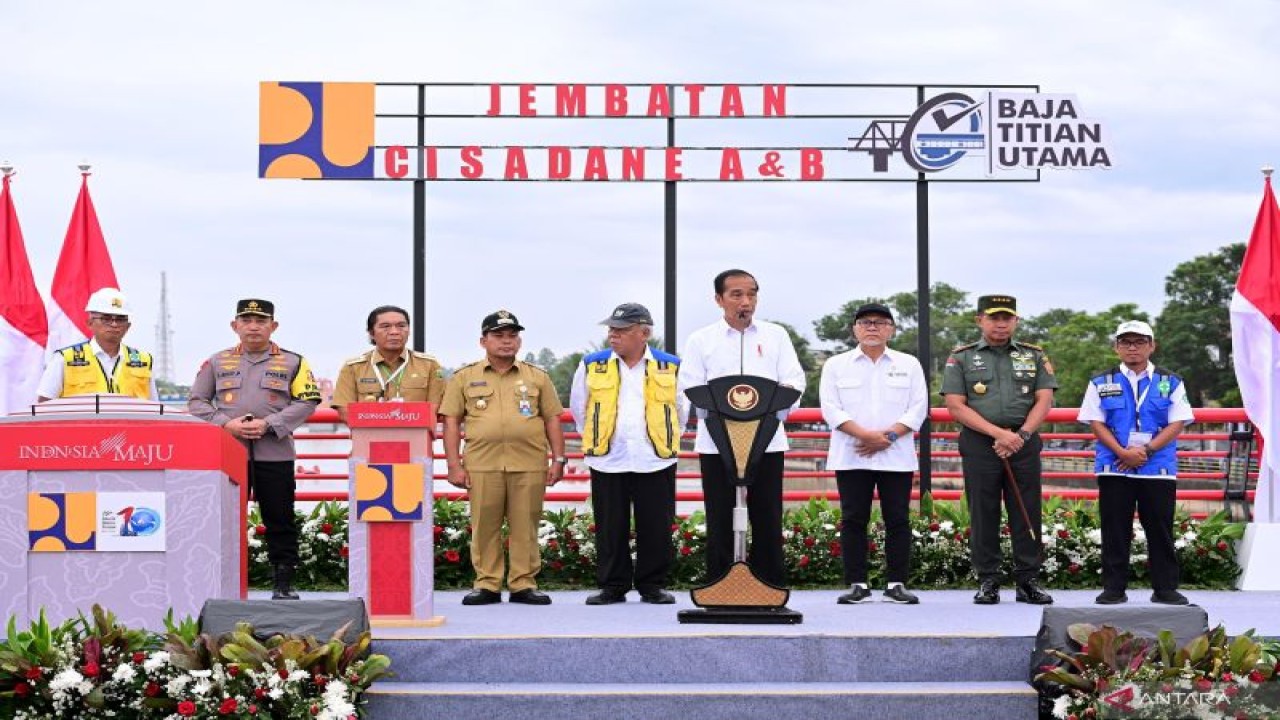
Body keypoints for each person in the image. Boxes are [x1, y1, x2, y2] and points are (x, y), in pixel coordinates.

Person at [678, 269, 805, 588]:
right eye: (736, 294)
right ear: (719, 299)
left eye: (752, 294)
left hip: (767, 442)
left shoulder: (776, 335)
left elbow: (794, 382)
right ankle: (718, 585)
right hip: (716, 444)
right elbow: (688, 389)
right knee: (719, 517)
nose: (745, 301)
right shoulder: (701, 339)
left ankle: (769, 586)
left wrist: (769, 408)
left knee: (767, 516)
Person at [188, 299, 321, 600]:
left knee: (280, 519)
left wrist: (270, 423)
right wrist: (226, 423)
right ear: (235, 326)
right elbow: (196, 401)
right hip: (228, 454)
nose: (253, 326)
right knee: (221, 517)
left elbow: (307, 401)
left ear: (273, 326)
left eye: (261, 321)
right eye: (246, 320)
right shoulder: (217, 361)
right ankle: (217, 580)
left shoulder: (294, 361)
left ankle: (283, 582)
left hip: (275, 452)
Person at [440, 310, 567, 606]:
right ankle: (487, 584)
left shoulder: (538, 376)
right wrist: (454, 465)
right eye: (498, 336)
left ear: (519, 341)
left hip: (530, 462)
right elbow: (450, 422)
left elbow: (552, 419)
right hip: (482, 463)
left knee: (526, 524)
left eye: (512, 336)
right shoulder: (464, 377)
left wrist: (558, 459)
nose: (506, 342)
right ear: (483, 341)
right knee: (485, 525)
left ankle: (524, 584)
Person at [941, 294, 1057, 605]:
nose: (1001, 323)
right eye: (994, 317)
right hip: (981, 442)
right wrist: (997, 434)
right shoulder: (961, 357)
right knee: (984, 510)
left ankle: (1028, 580)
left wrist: (1020, 435)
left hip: (1024, 440)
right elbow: (955, 404)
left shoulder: (1034, 355)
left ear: (1016, 321)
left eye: (1007, 317)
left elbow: (1044, 399)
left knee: (1027, 510)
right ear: (980, 320)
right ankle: (988, 579)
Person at [570, 302, 687, 605]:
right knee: (610, 527)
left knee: (657, 525)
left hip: (655, 458)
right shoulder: (591, 364)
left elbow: (682, 411)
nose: (613, 335)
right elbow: (578, 408)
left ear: (644, 333)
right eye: (611, 329)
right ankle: (613, 586)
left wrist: (664, 439)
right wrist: (600, 437)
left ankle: (652, 586)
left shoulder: (670, 365)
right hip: (609, 457)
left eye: (621, 330)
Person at [1078, 320, 1193, 606]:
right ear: (1116, 347)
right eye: (1126, 342)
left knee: (1160, 529)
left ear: (1152, 345)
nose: (1132, 347)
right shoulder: (1100, 382)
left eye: (1139, 341)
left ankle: (1165, 588)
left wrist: (1147, 450)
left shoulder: (1172, 382)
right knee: (1115, 528)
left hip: (1158, 467)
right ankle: (1114, 588)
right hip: (1115, 464)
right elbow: (1096, 423)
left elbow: (1177, 422)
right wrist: (1122, 451)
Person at [819, 303, 928, 604]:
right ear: (854, 329)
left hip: (896, 454)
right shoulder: (836, 365)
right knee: (853, 519)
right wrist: (865, 435)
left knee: (898, 519)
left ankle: (897, 584)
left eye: (880, 322)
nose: (872, 327)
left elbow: (919, 407)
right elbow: (830, 408)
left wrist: (889, 436)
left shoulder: (909, 364)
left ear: (891, 329)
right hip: (852, 452)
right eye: (865, 322)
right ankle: (857, 584)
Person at [37, 287, 158, 401]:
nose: (114, 324)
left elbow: (155, 409)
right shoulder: (65, 359)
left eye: (120, 319)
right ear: (90, 323)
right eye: (106, 318)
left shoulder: (143, 361)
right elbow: (44, 406)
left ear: (128, 326)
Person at [331, 305, 446, 423]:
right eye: (385, 327)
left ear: (409, 330)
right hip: (370, 438)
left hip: (415, 437)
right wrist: (383, 428)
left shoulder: (431, 365)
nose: (394, 332)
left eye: (401, 326)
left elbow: (434, 409)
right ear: (371, 333)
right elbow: (344, 411)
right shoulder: (353, 368)